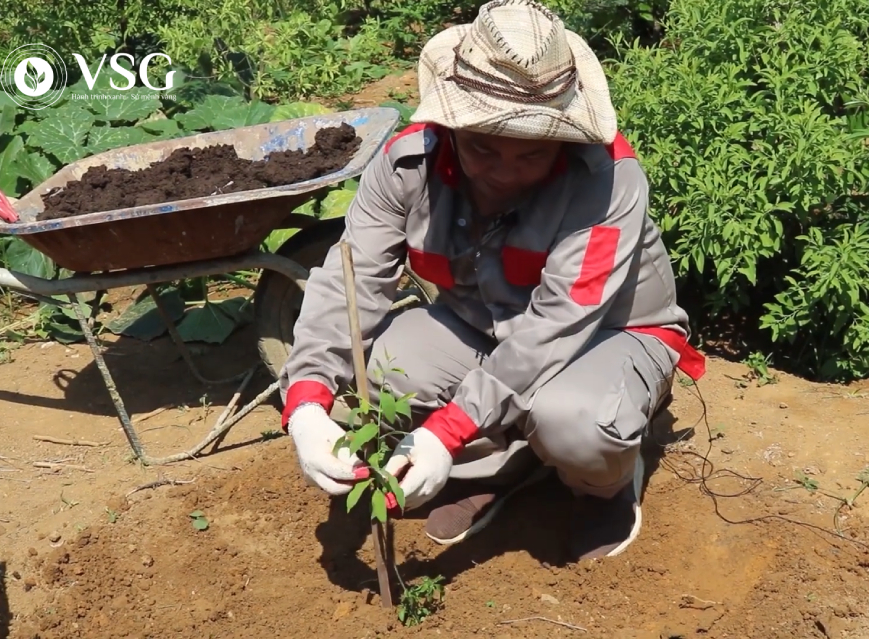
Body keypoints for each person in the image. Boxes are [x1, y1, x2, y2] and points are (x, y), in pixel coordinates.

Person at [277, 0, 706, 561]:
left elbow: (555, 330)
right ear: (450, 126)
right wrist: (307, 401)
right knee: (387, 371)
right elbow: (348, 282)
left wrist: (444, 431)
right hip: (484, 327)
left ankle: (602, 485)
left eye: (531, 154)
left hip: (608, 337)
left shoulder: (608, 183)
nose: (504, 171)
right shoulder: (408, 163)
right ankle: (502, 464)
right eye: (482, 147)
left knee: (573, 419)